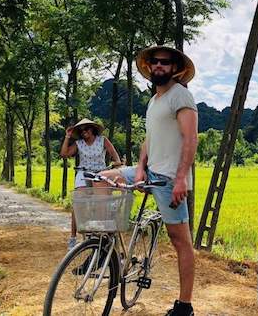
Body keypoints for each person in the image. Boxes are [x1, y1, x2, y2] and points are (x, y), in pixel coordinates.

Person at [99, 45, 198, 316]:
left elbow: (190, 139)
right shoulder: (155, 101)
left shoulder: (181, 96)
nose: (159, 66)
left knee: (181, 242)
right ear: (149, 66)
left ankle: (184, 306)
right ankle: (106, 246)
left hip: (169, 180)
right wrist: (140, 168)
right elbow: (149, 139)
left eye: (165, 63)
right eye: (155, 62)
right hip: (150, 171)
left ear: (175, 68)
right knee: (102, 178)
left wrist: (181, 180)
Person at [60, 118, 122, 249]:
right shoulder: (79, 143)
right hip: (83, 173)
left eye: (86, 129)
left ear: (92, 129)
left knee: (102, 202)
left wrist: (116, 163)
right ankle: (72, 237)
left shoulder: (103, 140)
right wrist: (67, 136)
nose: (84, 132)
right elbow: (64, 154)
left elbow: (114, 156)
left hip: (100, 173)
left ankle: (104, 234)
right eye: (81, 130)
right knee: (78, 202)